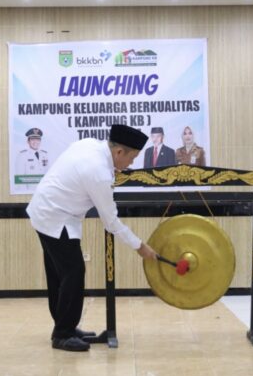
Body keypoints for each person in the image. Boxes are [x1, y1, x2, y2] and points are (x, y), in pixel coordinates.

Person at [26, 124, 158, 352]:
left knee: (59, 275)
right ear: (119, 152)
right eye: (132, 158)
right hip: (55, 217)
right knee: (73, 273)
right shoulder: (98, 172)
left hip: (45, 210)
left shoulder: (90, 145)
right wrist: (140, 246)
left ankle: (64, 326)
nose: (131, 164)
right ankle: (63, 334)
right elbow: (111, 222)